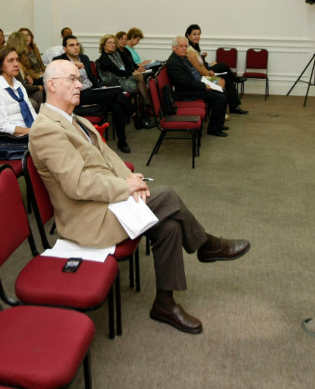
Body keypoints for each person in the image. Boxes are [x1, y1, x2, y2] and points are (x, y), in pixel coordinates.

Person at [29, 60, 250, 334]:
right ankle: (205, 245)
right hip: (87, 217)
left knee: (169, 225)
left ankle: (165, 304)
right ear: (51, 85)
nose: (79, 84)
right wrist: (126, 187)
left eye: (79, 78)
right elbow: (77, 185)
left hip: (107, 201)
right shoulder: (46, 129)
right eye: (72, 79)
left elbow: (109, 159)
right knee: (167, 196)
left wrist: (134, 181)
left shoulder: (77, 119)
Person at [54, 34, 148, 154]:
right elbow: (60, 81)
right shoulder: (59, 61)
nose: (76, 47)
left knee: (117, 105)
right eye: (71, 45)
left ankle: (122, 141)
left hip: (92, 90)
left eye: (77, 44)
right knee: (117, 92)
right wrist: (72, 67)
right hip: (78, 94)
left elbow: (92, 78)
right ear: (65, 49)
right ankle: (135, 115)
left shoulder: (84, 57)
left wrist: (100, 86)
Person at [166, 36, 228, 137]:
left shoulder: (182, 58)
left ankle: (218, 124)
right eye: (181, 46)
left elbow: (191, 78)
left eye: (186, 46)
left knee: (223, 92)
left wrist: (206, 83)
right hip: (186, 93)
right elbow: (186, 83)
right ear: (174, 47)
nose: (184, 48)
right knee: (220, 97)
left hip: (192, 87)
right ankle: (214, 129)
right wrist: (205, 86)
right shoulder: (174, 63)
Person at [185, 25, 247, 115]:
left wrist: (205, 60)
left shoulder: (194, 47)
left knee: (228, 80)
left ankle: (234, 106)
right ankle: (236, 79)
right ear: (188, 35)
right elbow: (199, 69)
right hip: (203, 76)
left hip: (206, 70)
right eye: (194, 34)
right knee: (223, 65)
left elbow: (199, 63)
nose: (197, 36)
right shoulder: (189, 50)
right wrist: (209, 72)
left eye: (198, 34)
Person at [0, 48, 37, 134]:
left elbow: (32, 113)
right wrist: (33, 132)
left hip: (31, 132)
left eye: (17, 60)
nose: (16, 64)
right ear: (0, 66)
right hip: (15, 139)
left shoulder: (18, 85)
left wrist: (41, 128)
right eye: (10, 60)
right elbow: (2, 127)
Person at [96, 33, 150, 107]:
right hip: (115, 82)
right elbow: (118, 72)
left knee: (141, 77)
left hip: (123, 77)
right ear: (103, 45)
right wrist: (132, 73)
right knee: (139, 78)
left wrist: (133, 72)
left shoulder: (115, 54)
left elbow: (123, 67)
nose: (112, 44)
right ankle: (144, 103)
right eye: (109, 42)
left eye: (114, 43)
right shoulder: (103, 59)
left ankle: (143, 104)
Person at [5, 31, 43, 107]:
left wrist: (27, 75)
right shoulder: (11, 61)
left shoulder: (18, 57)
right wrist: (38, 87)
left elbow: (22, 75)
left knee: (39, 94)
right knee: (35, 100)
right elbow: (21, 86)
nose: (26, 46)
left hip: (22, 89)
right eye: (25, 44)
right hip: (14, 94)